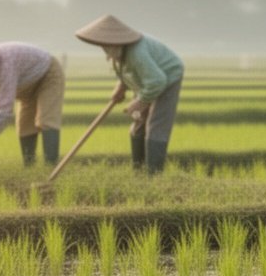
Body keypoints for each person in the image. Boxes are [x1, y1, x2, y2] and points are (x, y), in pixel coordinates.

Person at [73, 14, 184, 174]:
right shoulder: (117, 52)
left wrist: (140, 101)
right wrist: (121, 87)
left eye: (105, 44)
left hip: (167, 78)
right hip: (147, 83)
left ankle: (153, 176)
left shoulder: (136, 52)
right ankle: (138, 172)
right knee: (138, 122)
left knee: (155, 125)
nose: (103, 48)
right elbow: (128, 71)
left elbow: (158, 81)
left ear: (116, 41)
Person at [0, 40, 65, 166]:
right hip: (27, 85)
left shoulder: (4, 63)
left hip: (47, 74)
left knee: (46, 119)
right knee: (24, 124)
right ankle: (29, 167)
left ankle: (51, 166)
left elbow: (5, 108)